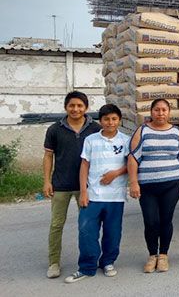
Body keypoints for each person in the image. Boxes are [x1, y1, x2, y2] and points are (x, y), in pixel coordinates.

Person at [64, 104, 129, 283]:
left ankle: (108, 262)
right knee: (86, 231)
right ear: (100, 121)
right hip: (93, 195)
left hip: (115, 196)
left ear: (119, 120)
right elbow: (84, 165)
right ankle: (86, 267)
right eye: (106, 119)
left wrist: (115, 174)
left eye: (114, 119)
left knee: (113, 232)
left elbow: (131, 165)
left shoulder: (126, 140)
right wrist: (83, 192)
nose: (110, 122)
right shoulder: (91, 140)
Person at [128, 99, 179, 273]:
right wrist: (133, 182)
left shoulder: (177, 132)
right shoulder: (142, 131)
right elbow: (133, 158)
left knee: (166, 219)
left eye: (164, 110)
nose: (161, 113)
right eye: (157, 110)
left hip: (171, 184)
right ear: (151, 112)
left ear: (169, 112)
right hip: (147, 185)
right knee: (150, 221)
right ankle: (152, 255)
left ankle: (163, 255)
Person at [43, 91, 102, 279]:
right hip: (60, 185)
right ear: (66, 107)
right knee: (56, 225)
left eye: (79, 106)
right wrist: (46, 181)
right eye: (72, 105)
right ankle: (53, 263)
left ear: (86, 108)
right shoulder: (55, 129)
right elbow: (48, 156)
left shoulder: (95, 128)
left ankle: (89, 260)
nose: (75, 109)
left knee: (87, 226)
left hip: (86, 186)